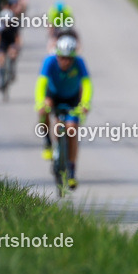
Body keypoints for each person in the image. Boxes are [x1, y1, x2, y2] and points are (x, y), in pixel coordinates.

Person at [34, 34, 92, 189]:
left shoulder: (79, 63)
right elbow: (41, 83)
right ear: (57, 54)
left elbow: (87, 84)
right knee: (44, 111)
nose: (65, 61)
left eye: (68, 58)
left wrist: (85, 104)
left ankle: (72, 171)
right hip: (53, 95)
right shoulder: (49, 61)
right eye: (61, 57)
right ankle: (47, 142)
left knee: (72, 129)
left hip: (72, 98)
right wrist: (40, 103)